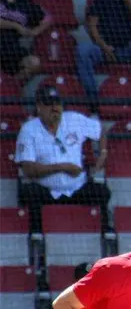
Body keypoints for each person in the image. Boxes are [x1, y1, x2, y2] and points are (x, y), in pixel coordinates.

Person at [16, 87, 112, 233]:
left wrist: (103, 153)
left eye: (57, 103)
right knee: (29, 192)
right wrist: (63, 167)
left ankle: (105, 233)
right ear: (39, 107)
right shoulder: (29, 130)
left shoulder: (74, 120)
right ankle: (37, 236)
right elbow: (28, 169)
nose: (55, 108)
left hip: (76, 188)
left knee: (102, 191)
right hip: (47, 191)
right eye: (49, 104)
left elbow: (101, 129)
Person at [0, 0, 50, 83]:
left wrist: (35, 31)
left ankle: (11, 85)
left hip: (15, 50)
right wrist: (16, 26)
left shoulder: (25, 3)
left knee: (35, 62)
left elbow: (48, 18)